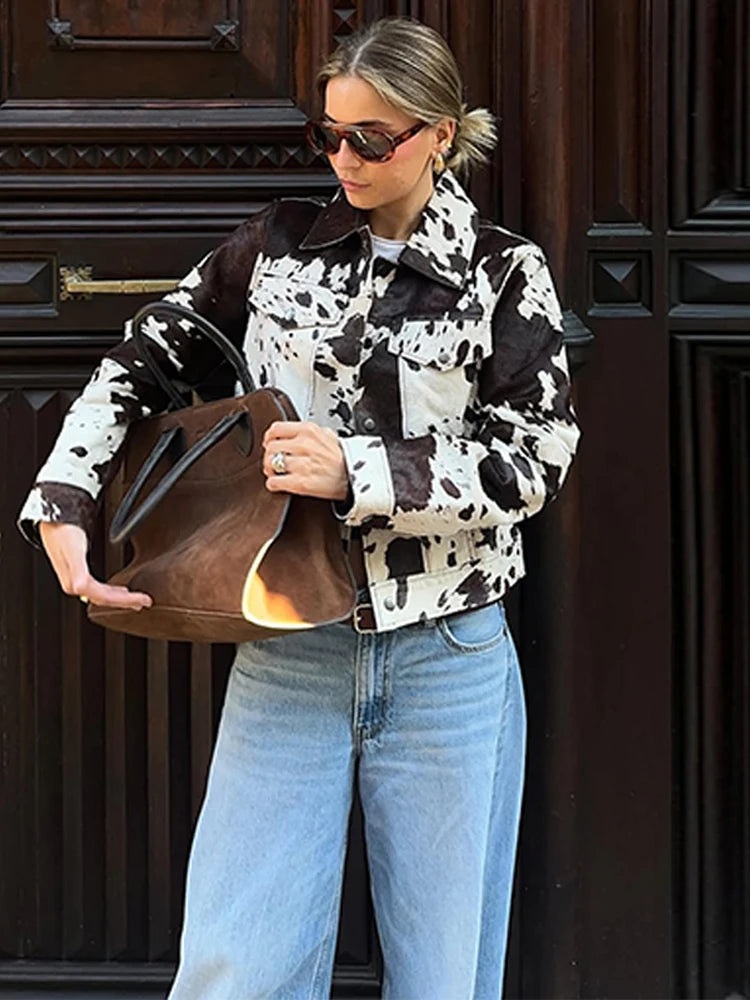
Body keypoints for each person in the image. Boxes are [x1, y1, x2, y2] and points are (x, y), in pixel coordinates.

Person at [16, 15, 581, 1000]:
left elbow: (536, 459)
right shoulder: (276, 247)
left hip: (449, 654)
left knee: (445, 977)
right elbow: (146, 355)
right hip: (287, 645)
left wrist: (359, 470)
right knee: (236, 966)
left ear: (440, 135)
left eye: (372, 139)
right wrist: (64, 493)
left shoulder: (502, 272)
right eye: (329, 135)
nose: (345, 160)